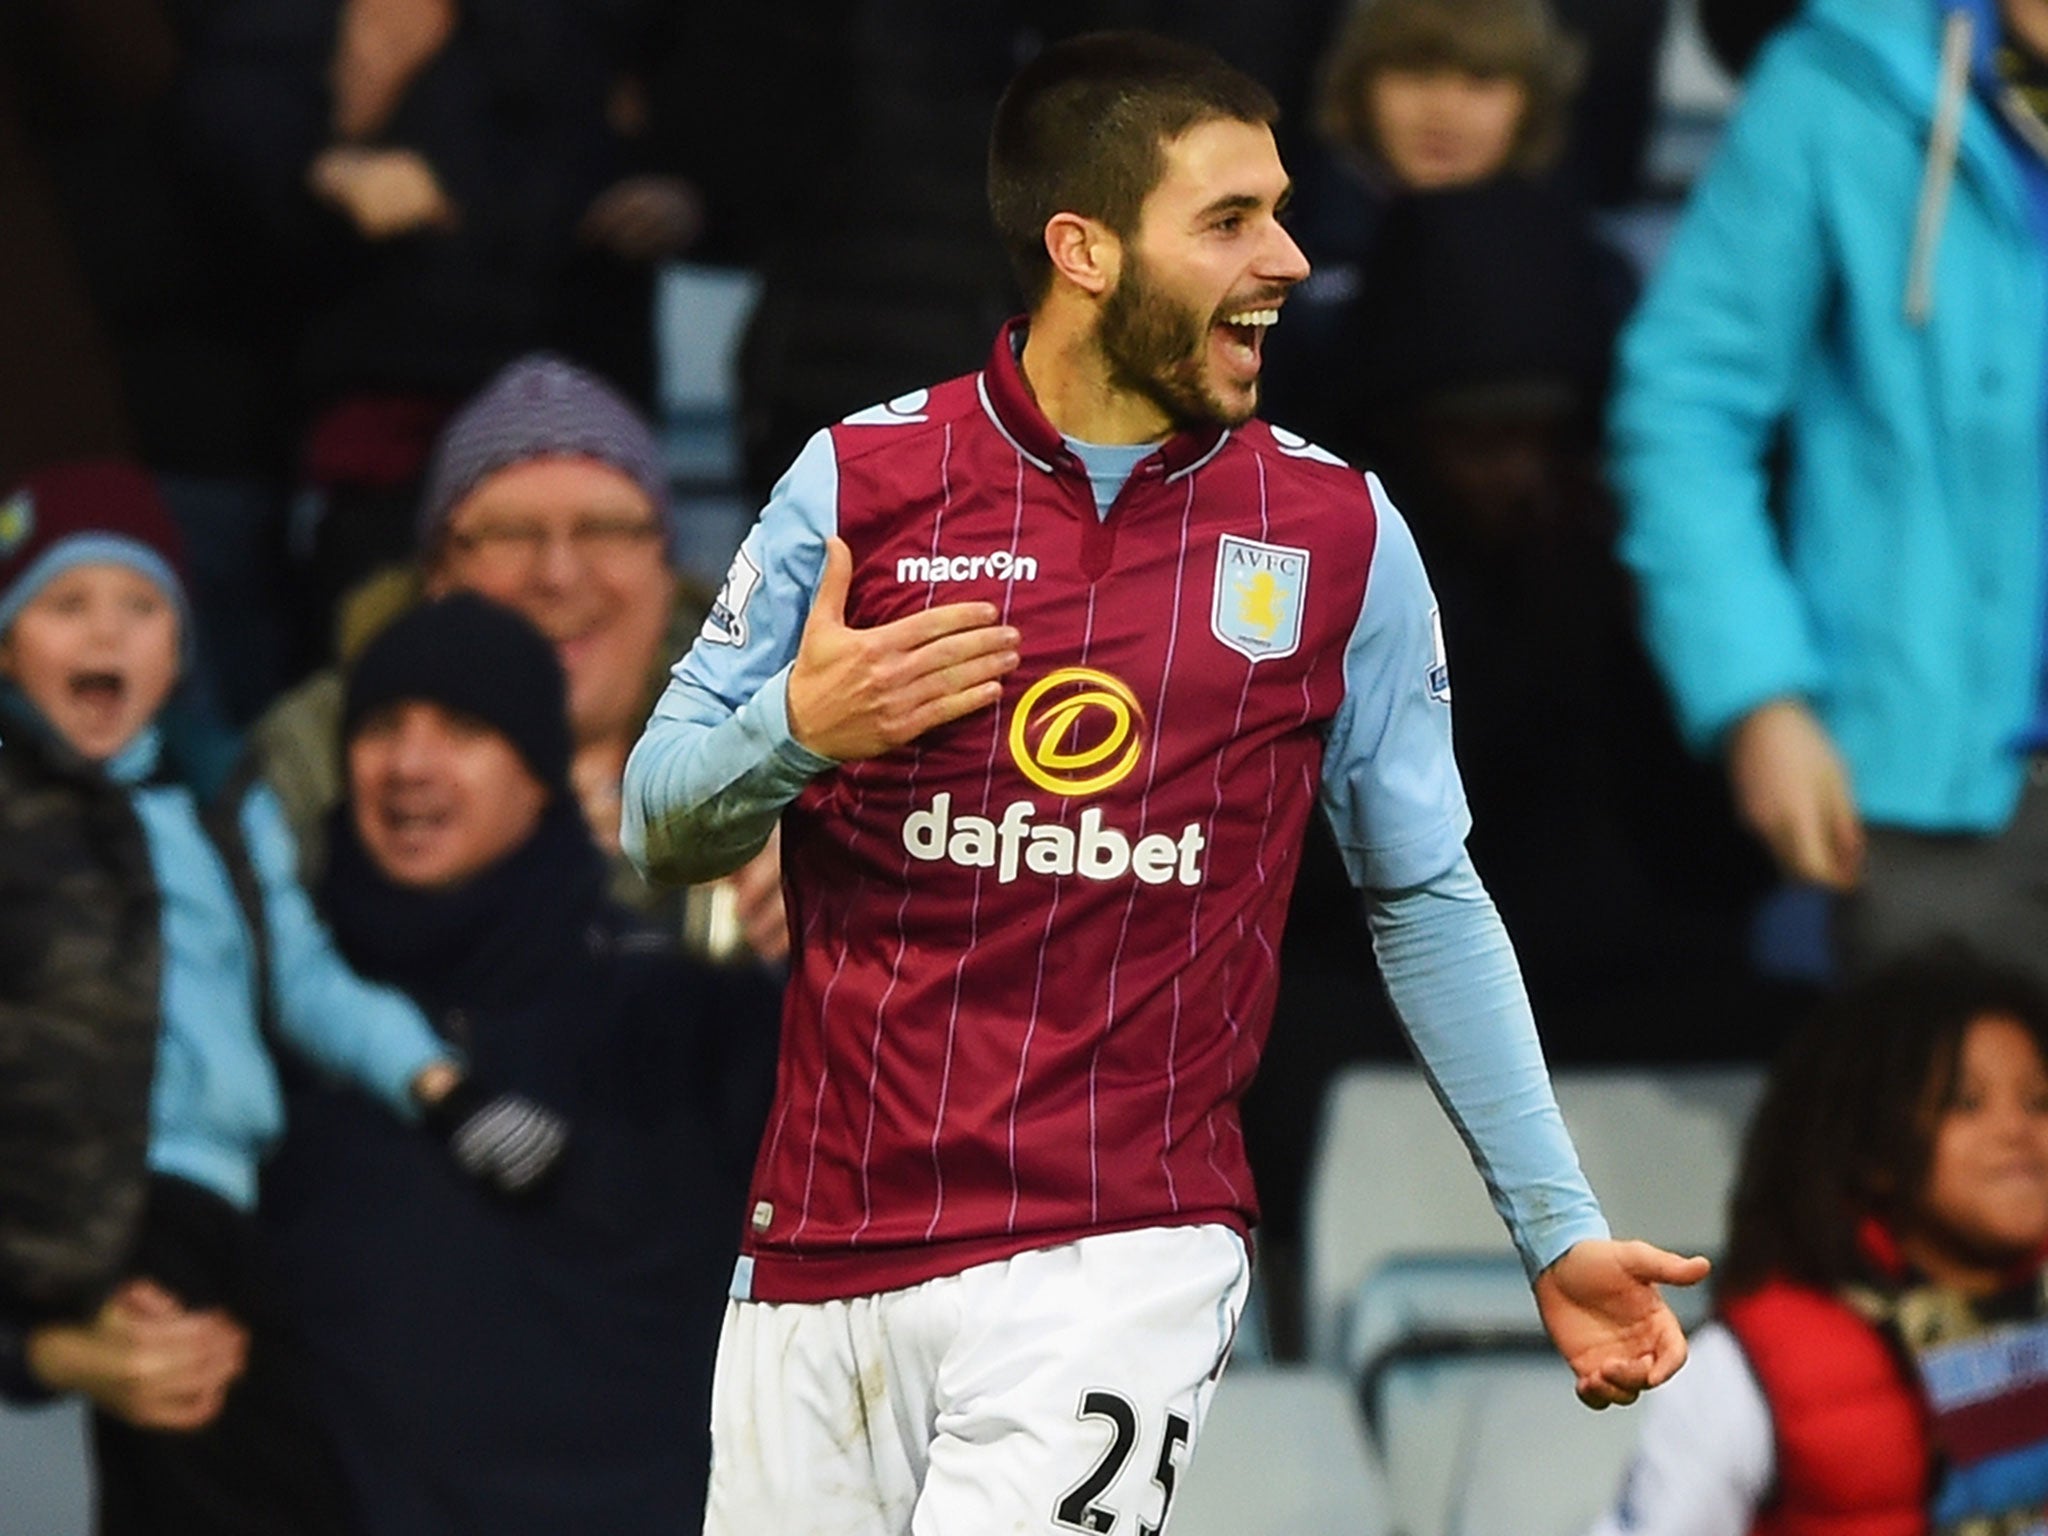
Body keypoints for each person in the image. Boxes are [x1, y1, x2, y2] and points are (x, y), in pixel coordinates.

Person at [624, 30, 1707, 1534]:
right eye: (1229, 221)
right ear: (1081, 249)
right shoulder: (860, 479)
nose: (1286, 255)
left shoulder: (1337, 535)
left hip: (1118, 1245)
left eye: (1276, 208)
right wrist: (798, 728)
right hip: (817, 1245)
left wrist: (1553, 1226)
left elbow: (1427, 895)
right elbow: (657, 814)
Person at [0, 461, 562, 1534]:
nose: (107, 634)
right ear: (7, 646)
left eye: (141, 606)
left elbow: (299, 978)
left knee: (277, 1459)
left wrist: (443, 1090)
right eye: (65, 605)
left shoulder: (220, 806)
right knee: (196, 1447)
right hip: (82, 1192)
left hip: (221, 1198)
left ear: (179, 651)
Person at [258, 592, 767, 1536]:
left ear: (538, 773)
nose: (409, 763)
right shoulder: (274, 1014)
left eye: (462, 728)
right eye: (380, 727)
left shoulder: (677, 1019)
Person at [1609, 0, 2048, 978]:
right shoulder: (1838, 81)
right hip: (1936, 801)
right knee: (1926, 1128)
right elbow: (1684, 409)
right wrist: (1754, 694)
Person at [250, 351, 788, 963]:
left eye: (604, 530)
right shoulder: (324, 746)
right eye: (511, 534)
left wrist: (829, 869)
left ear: (665, 569)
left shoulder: (786, 734)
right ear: (438, 574)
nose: (558, 575)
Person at [1589, 946, 2048, 1533]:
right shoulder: (1752, 1366)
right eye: (1967, 1103)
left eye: (2039, 1101)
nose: (2017, 1131)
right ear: (1872, 1148)